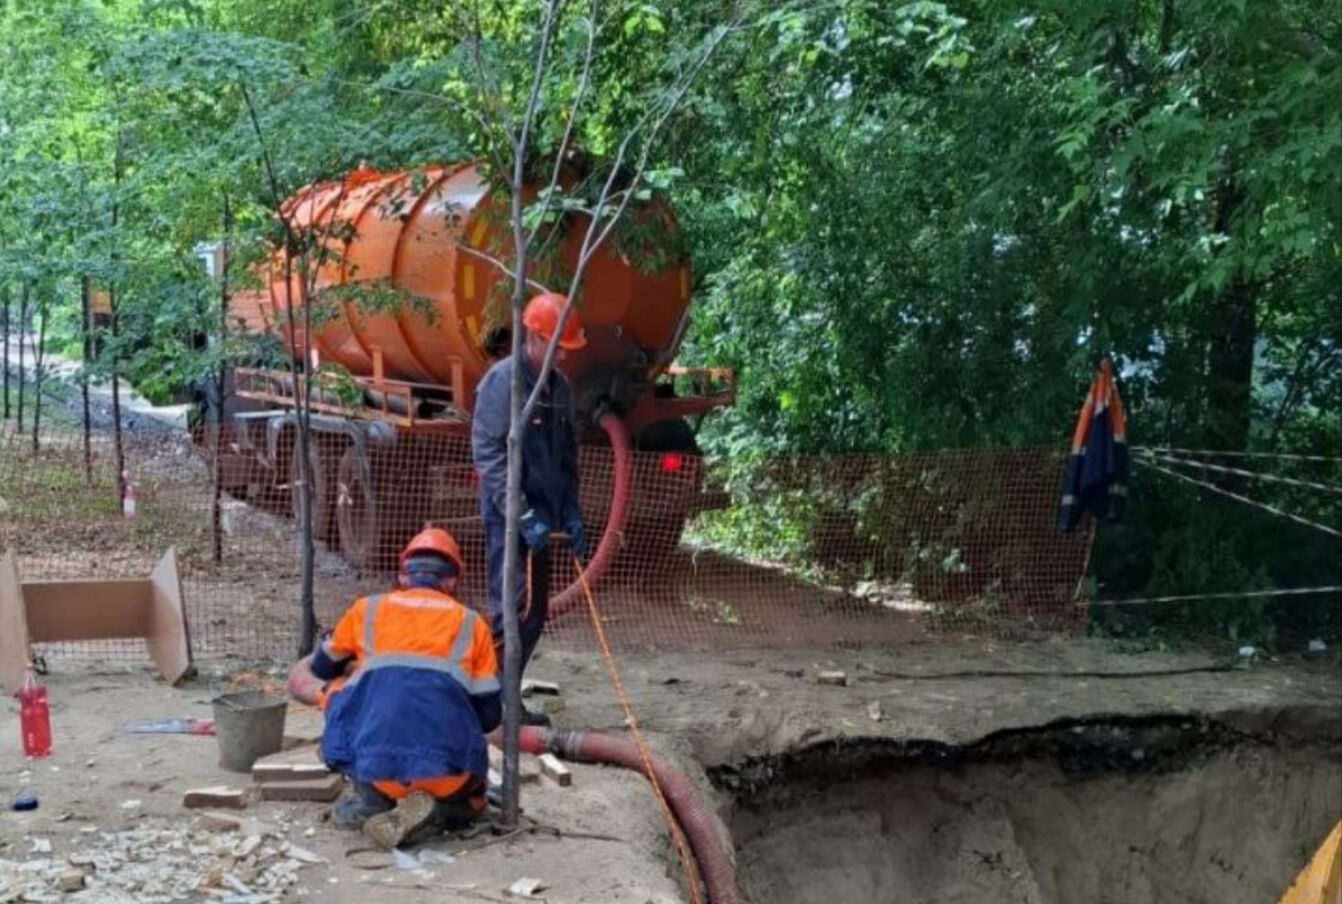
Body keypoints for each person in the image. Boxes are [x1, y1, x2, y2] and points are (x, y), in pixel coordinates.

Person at [299, 528, 501, 849]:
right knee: (475, 797)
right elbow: (489, 717)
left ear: (403, 576)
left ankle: (373, 800)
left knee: (341, 689)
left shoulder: (368, 609)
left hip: (382, 774)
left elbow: (321, 668)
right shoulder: (472, 623)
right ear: (451, 581)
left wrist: (362, 669)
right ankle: (447, 810)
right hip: (449, 778)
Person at [470, 291, 587, 727]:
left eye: (567, 348)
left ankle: (506, 697)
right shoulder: (504, 382)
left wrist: (570, 512)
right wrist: (520, 514)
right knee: (511, 612)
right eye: (558, 346)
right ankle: (492, 705)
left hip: (547, 519)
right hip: (509, 518)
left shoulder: (560, 387)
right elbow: (488, 454)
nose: (564, 356)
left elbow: (566, 456)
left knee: (535, 614)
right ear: (535, 337)